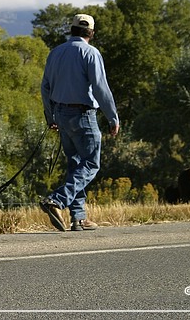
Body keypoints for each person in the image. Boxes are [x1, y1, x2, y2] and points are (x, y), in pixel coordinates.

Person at [39, 13, 119, 232]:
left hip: (61, 115)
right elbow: (101, 88)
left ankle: (78, 218)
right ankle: (57, 200)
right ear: (91, 33)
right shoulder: (91, 53)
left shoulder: (55, 53)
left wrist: (50, 116)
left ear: (72, 30)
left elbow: (45, 87)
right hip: (83, 115)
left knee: (76, 165)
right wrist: (112, 117)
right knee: (91, 163)